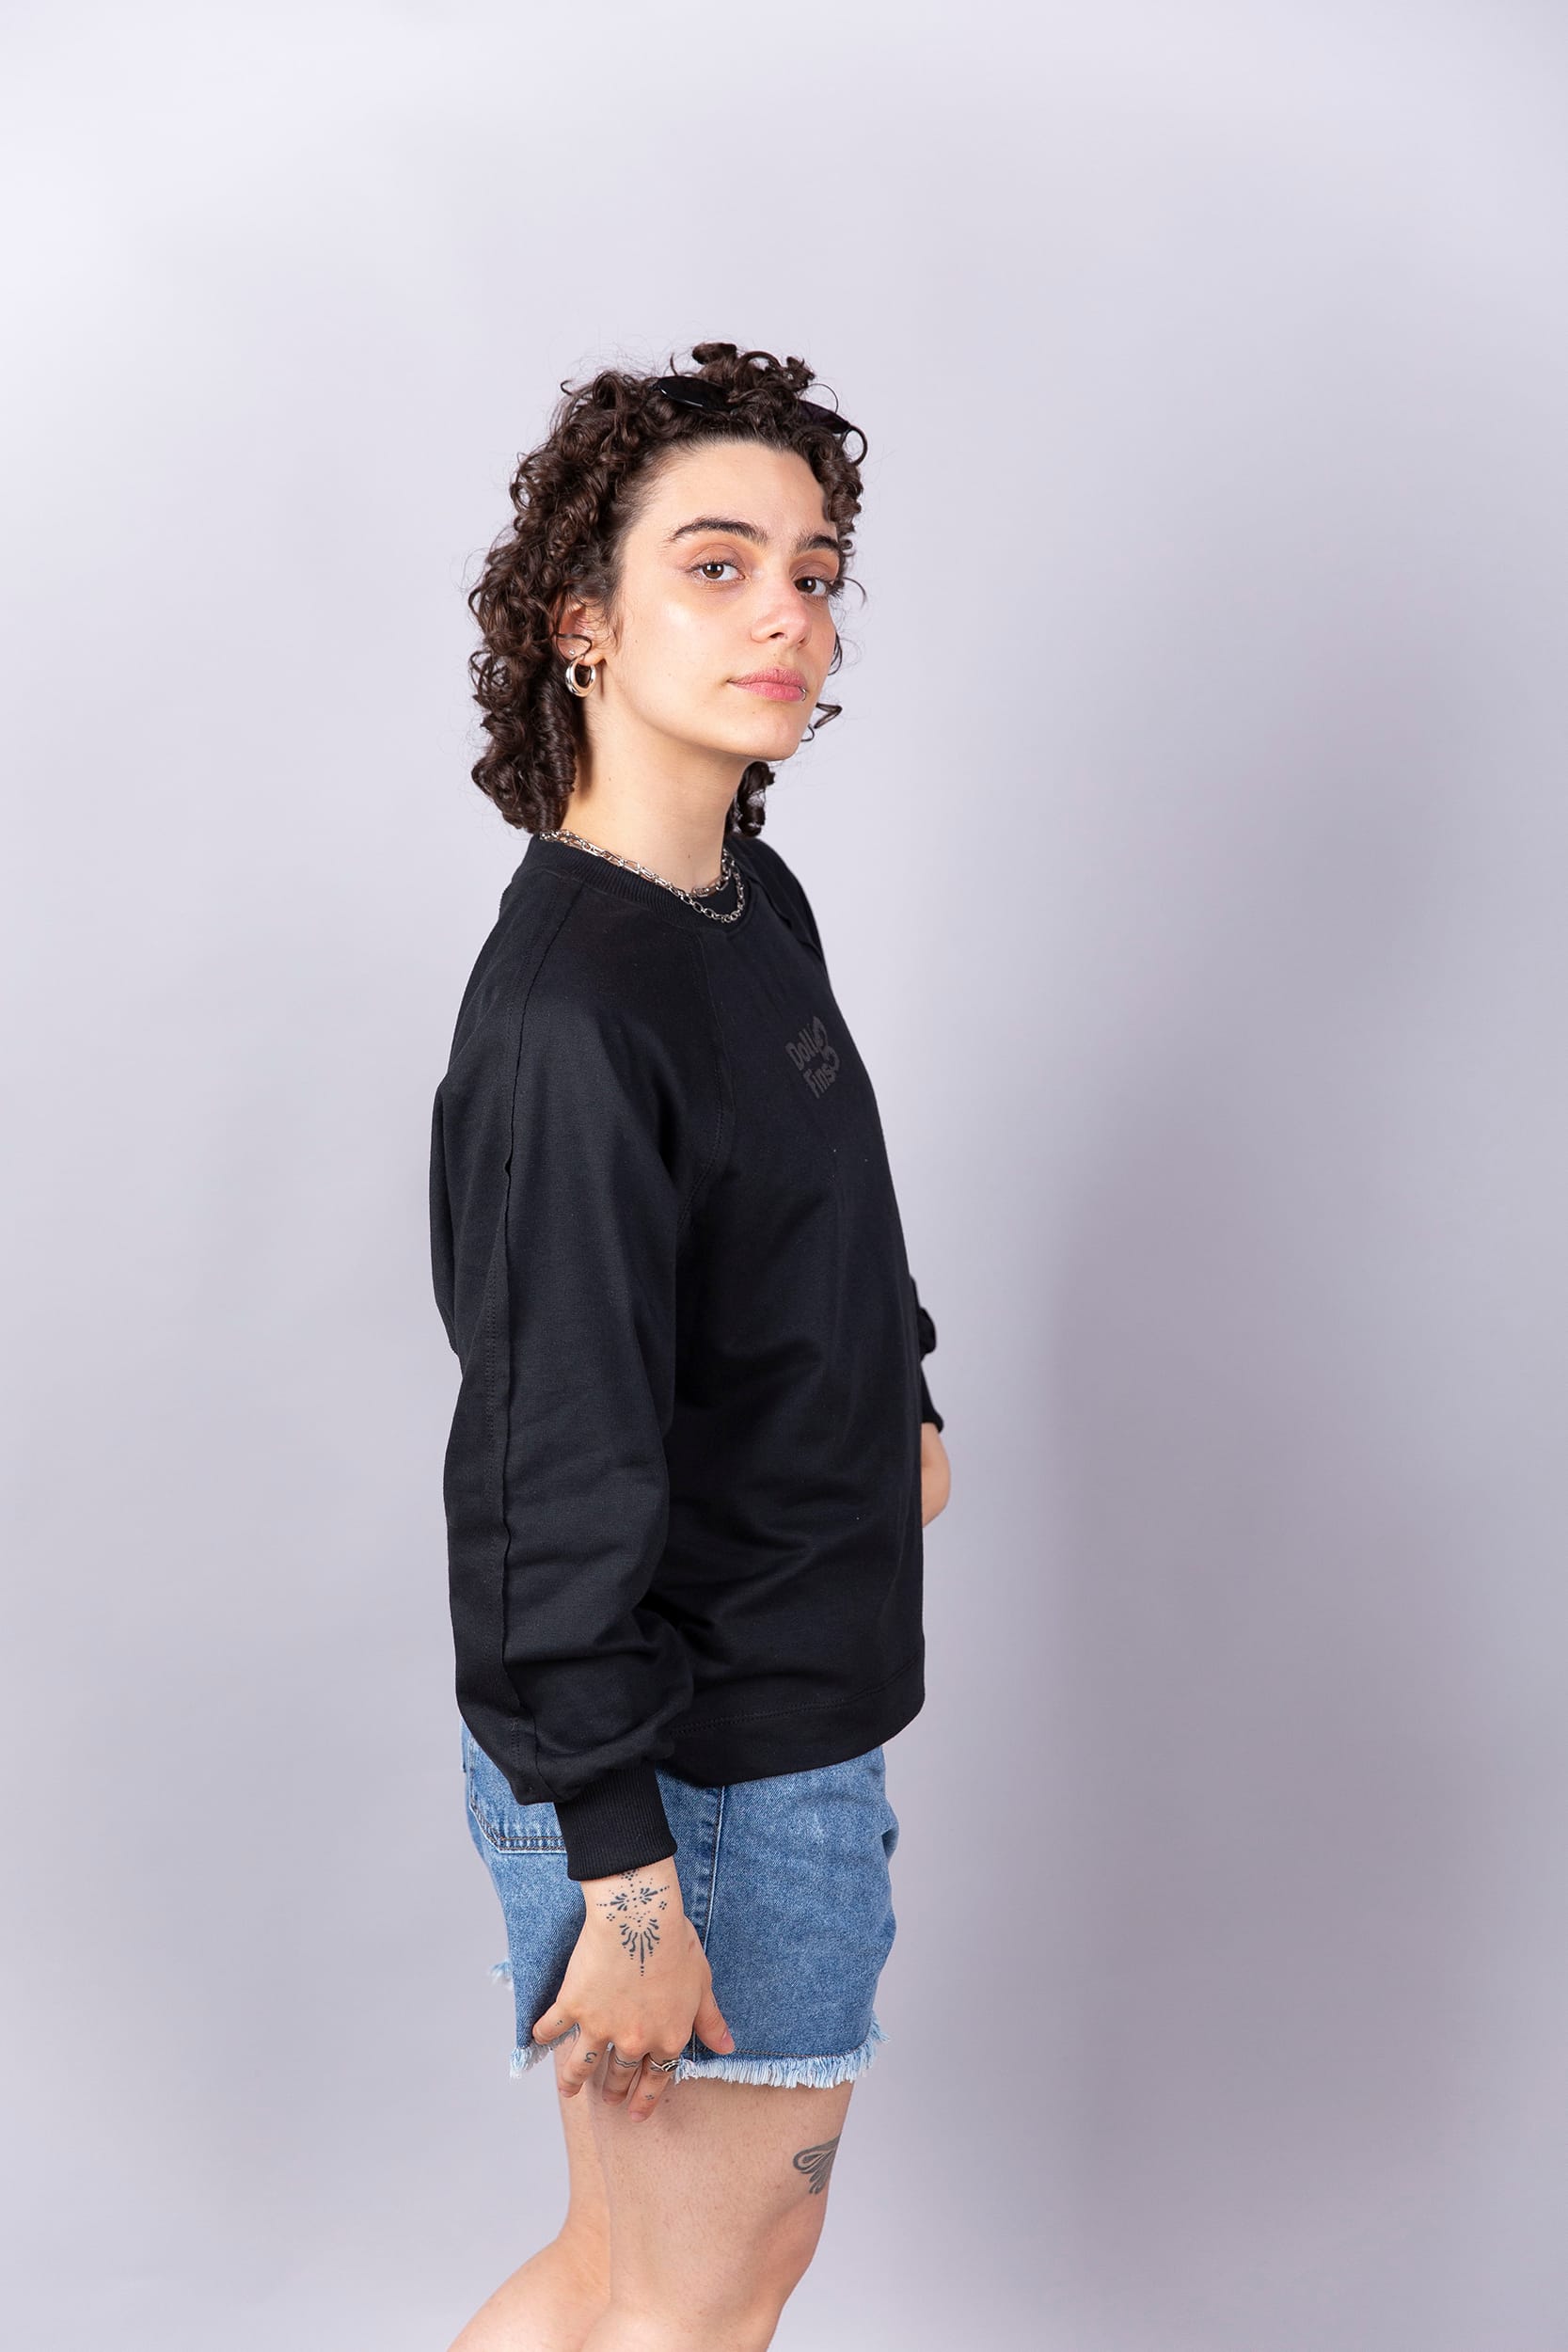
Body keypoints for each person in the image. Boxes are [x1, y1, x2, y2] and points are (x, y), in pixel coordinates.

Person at [428, 339, 951, 2352]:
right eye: (717, 566)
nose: (786, 616)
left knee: (623, 2285)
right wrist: (626, 1874)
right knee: (699, 2301)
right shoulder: (573, 1015)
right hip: (695, 1773)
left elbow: (813, 1192)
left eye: (813, 572)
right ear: (584, 620)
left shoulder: (740, 895)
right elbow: (539, 1475)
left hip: (758, 1722)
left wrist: (898, 1388)